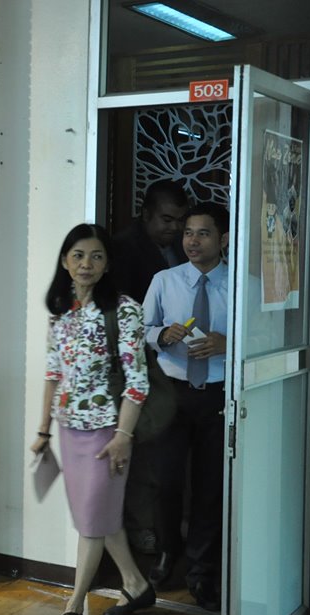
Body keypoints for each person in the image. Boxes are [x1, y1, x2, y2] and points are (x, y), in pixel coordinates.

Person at [31, 223, 156, 615]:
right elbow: (53, 374)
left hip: (108, 433)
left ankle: (73, 608)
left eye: (97, 256)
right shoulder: (61, 310)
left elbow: (138, 382)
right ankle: (136, 584)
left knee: (91, 523)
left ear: (107, 265)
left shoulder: (124, 310)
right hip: (71, 431)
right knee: (100, 516)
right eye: (79, 255)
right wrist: (44, 431)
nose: (87, 264)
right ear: (65, 261)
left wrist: (123, 436)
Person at [142, 202, 229, 611]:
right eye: (188, 233)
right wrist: (162, 335)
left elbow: (266, 333)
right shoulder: (165, 280)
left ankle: (202, 572)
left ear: (223, 239)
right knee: (166, 480)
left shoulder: (242, 285)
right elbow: (140, 329)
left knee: (210, 486)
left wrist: (228, 343)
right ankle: (167, 553)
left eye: (203, 233)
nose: (192, 241)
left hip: (218, 394)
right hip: (172, 393)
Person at [111, 179, 190, 555]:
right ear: (146, 214)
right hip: (140, 363)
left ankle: (167, 525)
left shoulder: (180, 246)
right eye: (167, 219)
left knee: (166, 454)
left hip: (175, 365)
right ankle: (141, 527)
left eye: (180, 220)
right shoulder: (124, 249)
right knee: (144, 453)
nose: (175, 228)